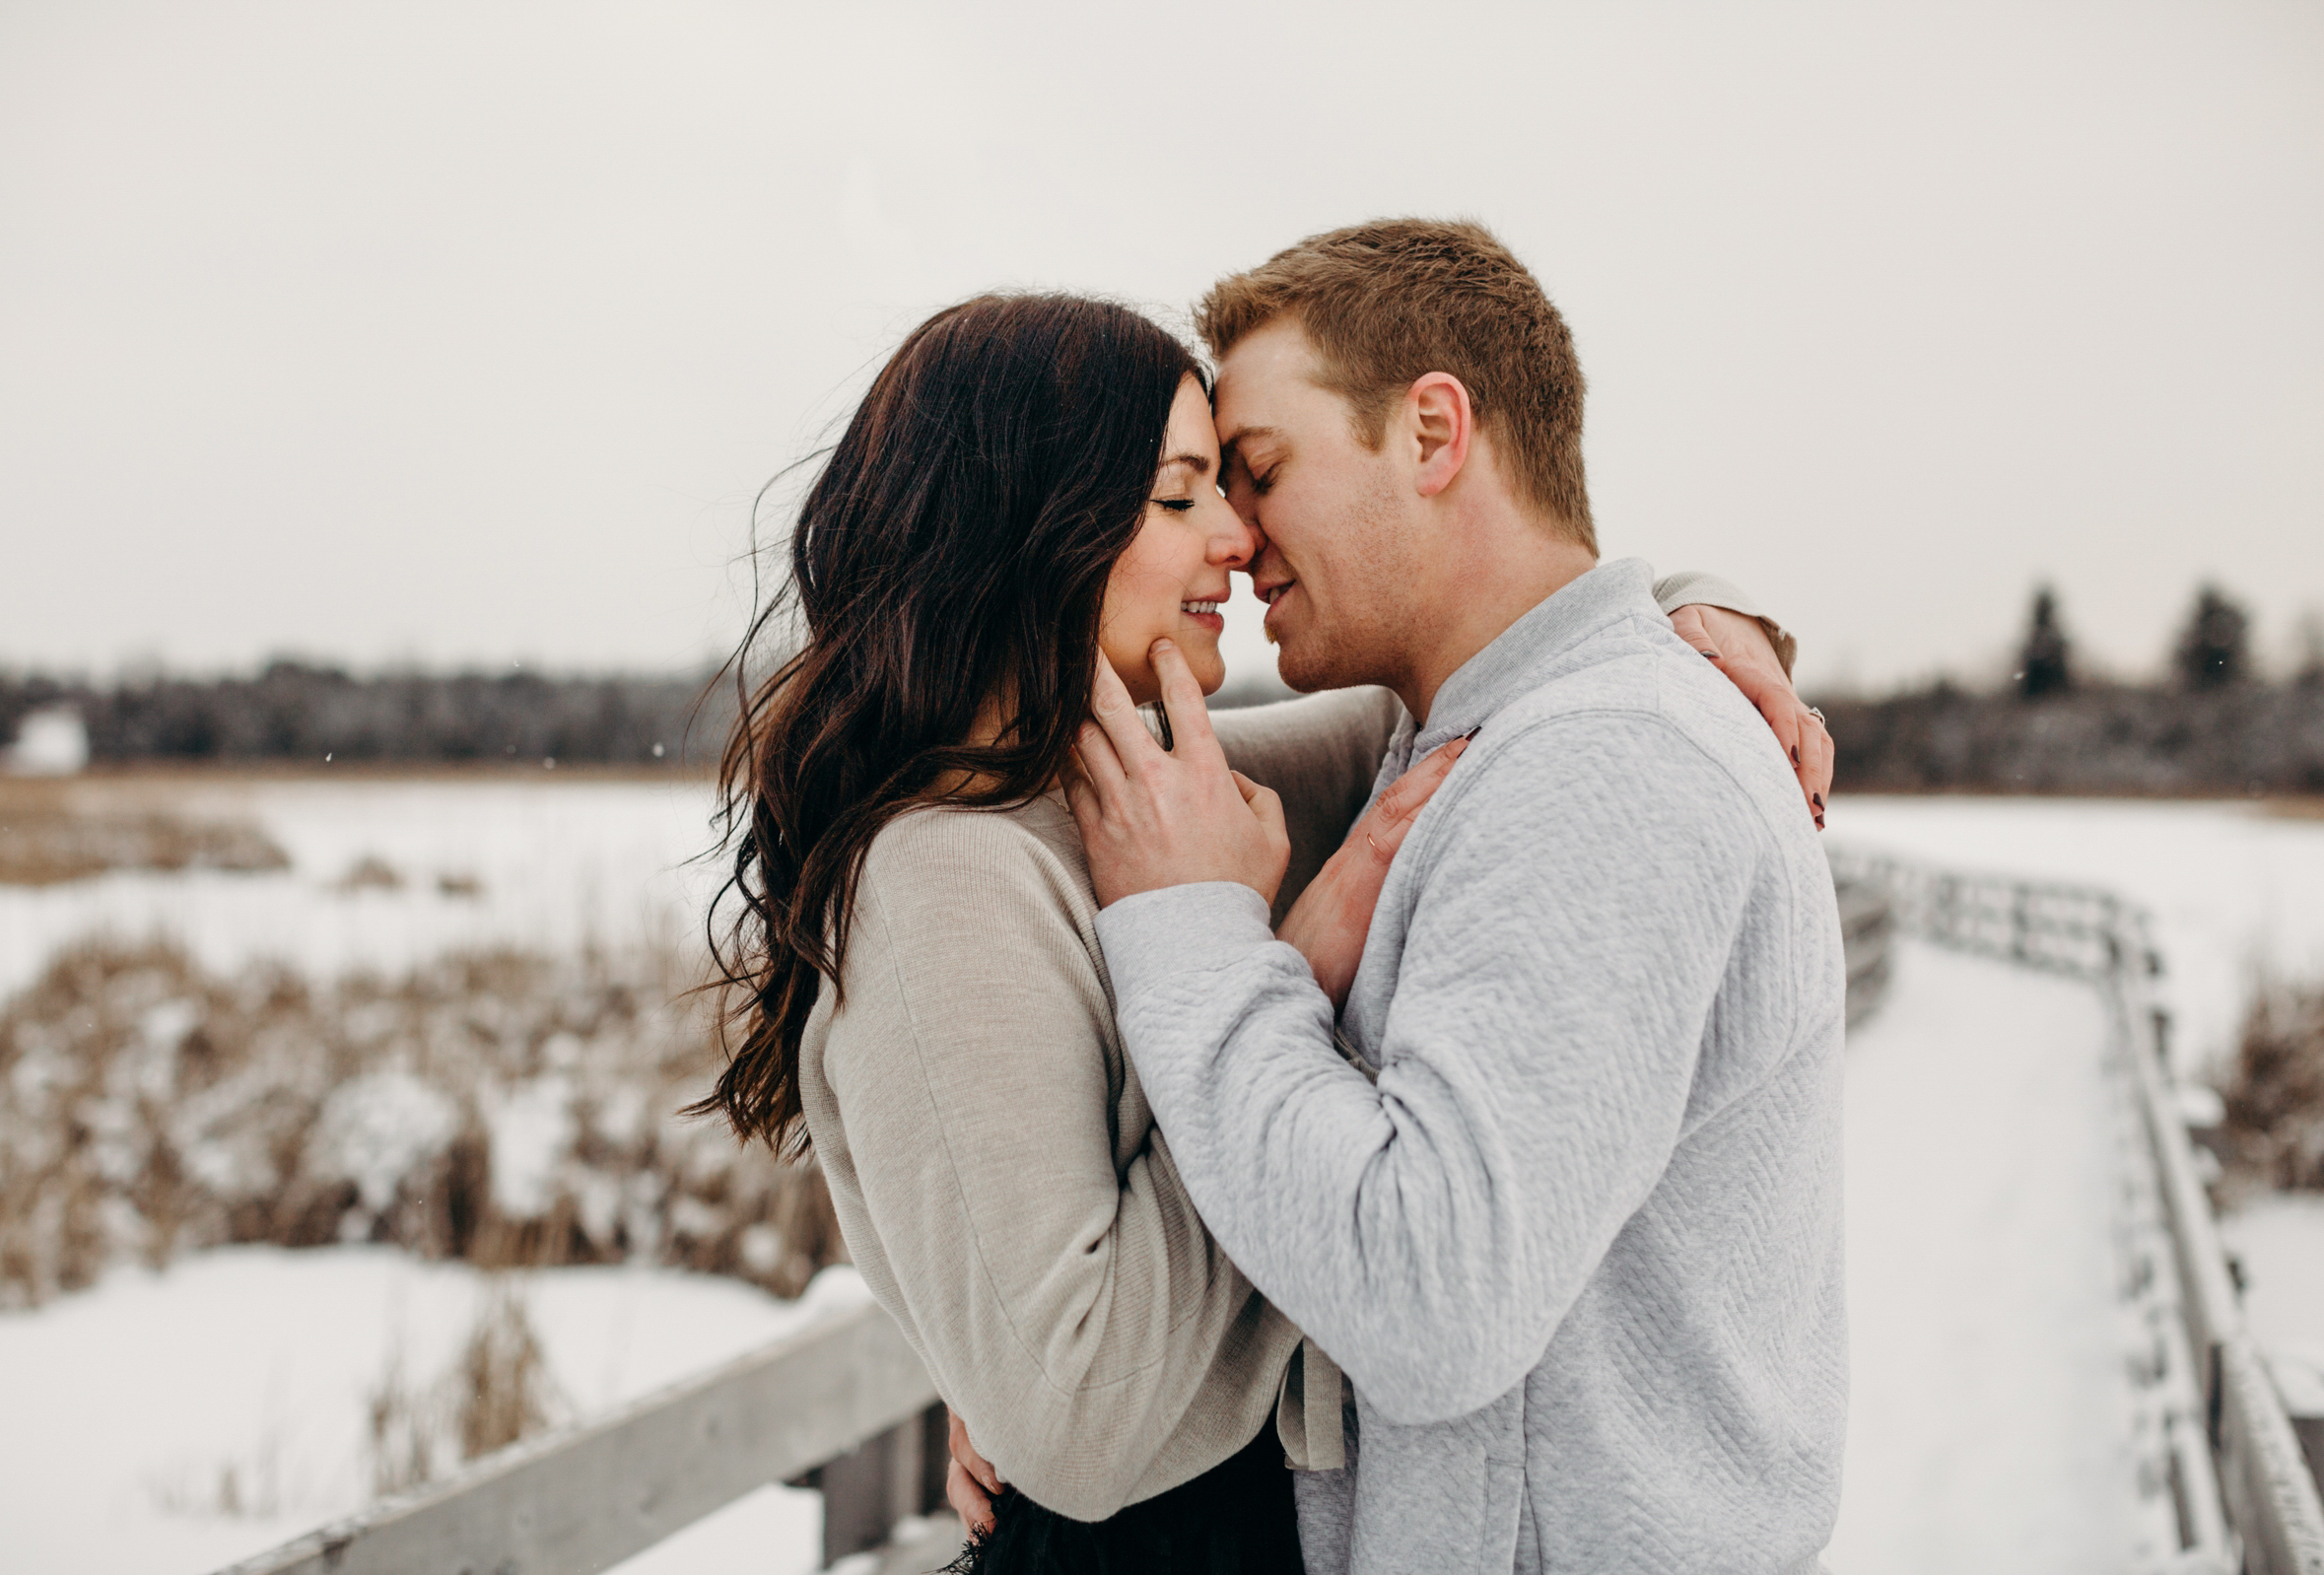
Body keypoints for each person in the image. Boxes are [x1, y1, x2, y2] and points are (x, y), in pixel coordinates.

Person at [697, 290, 1817, 1572]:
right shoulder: (943, 876)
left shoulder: (1143, 793)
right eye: (1182, 496)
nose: (1237, 535)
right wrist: (1275, 961)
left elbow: (1494, 659)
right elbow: (1073, 1417)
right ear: (1031, 528)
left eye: (1236, 483)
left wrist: (1694, 608)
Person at [1063, 220, 1848, 1575]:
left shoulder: (1607, 764)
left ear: (1433, 434)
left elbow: (1435, 1297)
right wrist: (1055, 1383)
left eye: (1258, 473)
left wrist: (1197, 942)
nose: (1234, 541)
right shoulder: (1475, 736)